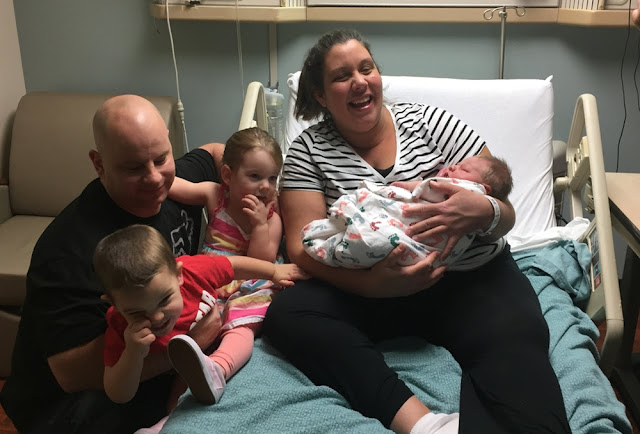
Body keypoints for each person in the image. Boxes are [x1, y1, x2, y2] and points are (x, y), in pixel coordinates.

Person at [262, 29, 571, 434]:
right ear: (320, 95)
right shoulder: (308, 151)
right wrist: (373, 286)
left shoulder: (429, 121)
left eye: (366, 68)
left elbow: (505, 210)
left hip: (466, 277)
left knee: (518, 348)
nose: (359, 81)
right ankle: (423, 423)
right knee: (289, 315)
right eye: (341, 76)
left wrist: (486, 209)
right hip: (370, 289)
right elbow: (302, 247)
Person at [0, 94, 226, 434]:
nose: (154, 178)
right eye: (133, 168)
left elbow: (215, 152)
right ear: (99, 164)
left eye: (161, 158)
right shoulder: (68, 251)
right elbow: (70, 373)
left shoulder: (176, 183)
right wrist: (187, 344)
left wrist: (247, 190)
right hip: (66, 402)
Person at [93, 225, 306, 421]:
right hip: (183, 371)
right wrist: (132, 354)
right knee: (182, 398)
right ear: (114, 304)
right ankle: (164, 425)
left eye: (165, 300)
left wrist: (273, 271)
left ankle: (219, 370)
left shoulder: (194, 271)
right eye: (137, 312)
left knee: (241, 327)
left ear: (179, 275)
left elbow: (232, 266)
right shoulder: (121, 327)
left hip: (220, 339)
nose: (157, 317)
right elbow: (118, 394)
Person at [302, 155, 512, 270]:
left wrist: (488, 209)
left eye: (463, 169)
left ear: (484, 189)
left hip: (463, 265)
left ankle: (331, 243)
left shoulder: (469, 190)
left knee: (377, 238)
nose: (452, 167)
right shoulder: (307, 151)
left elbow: (431, 187)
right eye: (456, 165)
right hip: (414, 260)